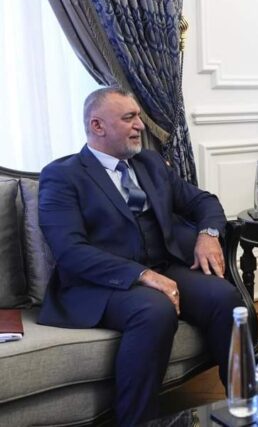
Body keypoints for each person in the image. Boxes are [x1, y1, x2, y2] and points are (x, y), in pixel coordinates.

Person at [37, 87, 244, 426]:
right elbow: (70, 251)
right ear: (98, 126)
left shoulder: (150, 163)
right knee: (154, 309)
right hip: (101, 284)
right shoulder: (62, 176)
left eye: (138, 116)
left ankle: (247, 403)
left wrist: (208, 235)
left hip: (163, 266)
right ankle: (136, 421)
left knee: (225, 297)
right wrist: (141, 275)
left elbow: (202, 201)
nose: (140, 125)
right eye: (129, 117)